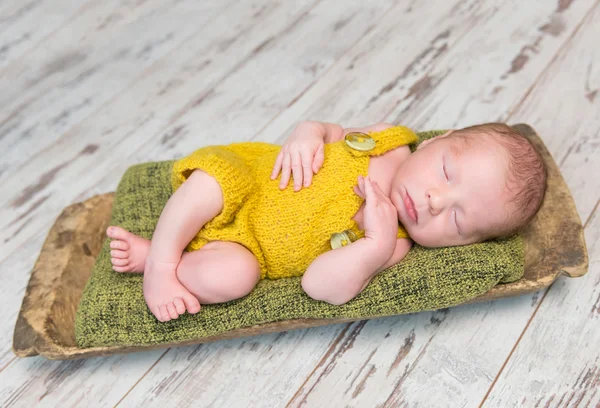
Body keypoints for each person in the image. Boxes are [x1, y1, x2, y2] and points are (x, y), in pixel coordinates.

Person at [106, 121, 547, 322]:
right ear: (441, 140)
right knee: (215, 183)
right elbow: (331, 131)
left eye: (457, 219)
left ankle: (162, 257)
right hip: (249, 181)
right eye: (447, 173)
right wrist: (307, 133)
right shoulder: (387, 144)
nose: (435, 201)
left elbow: (319, 287)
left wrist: (372, 244)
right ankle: (163, 267)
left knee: (236, 276)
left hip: (247, 246)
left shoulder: (392, 242)